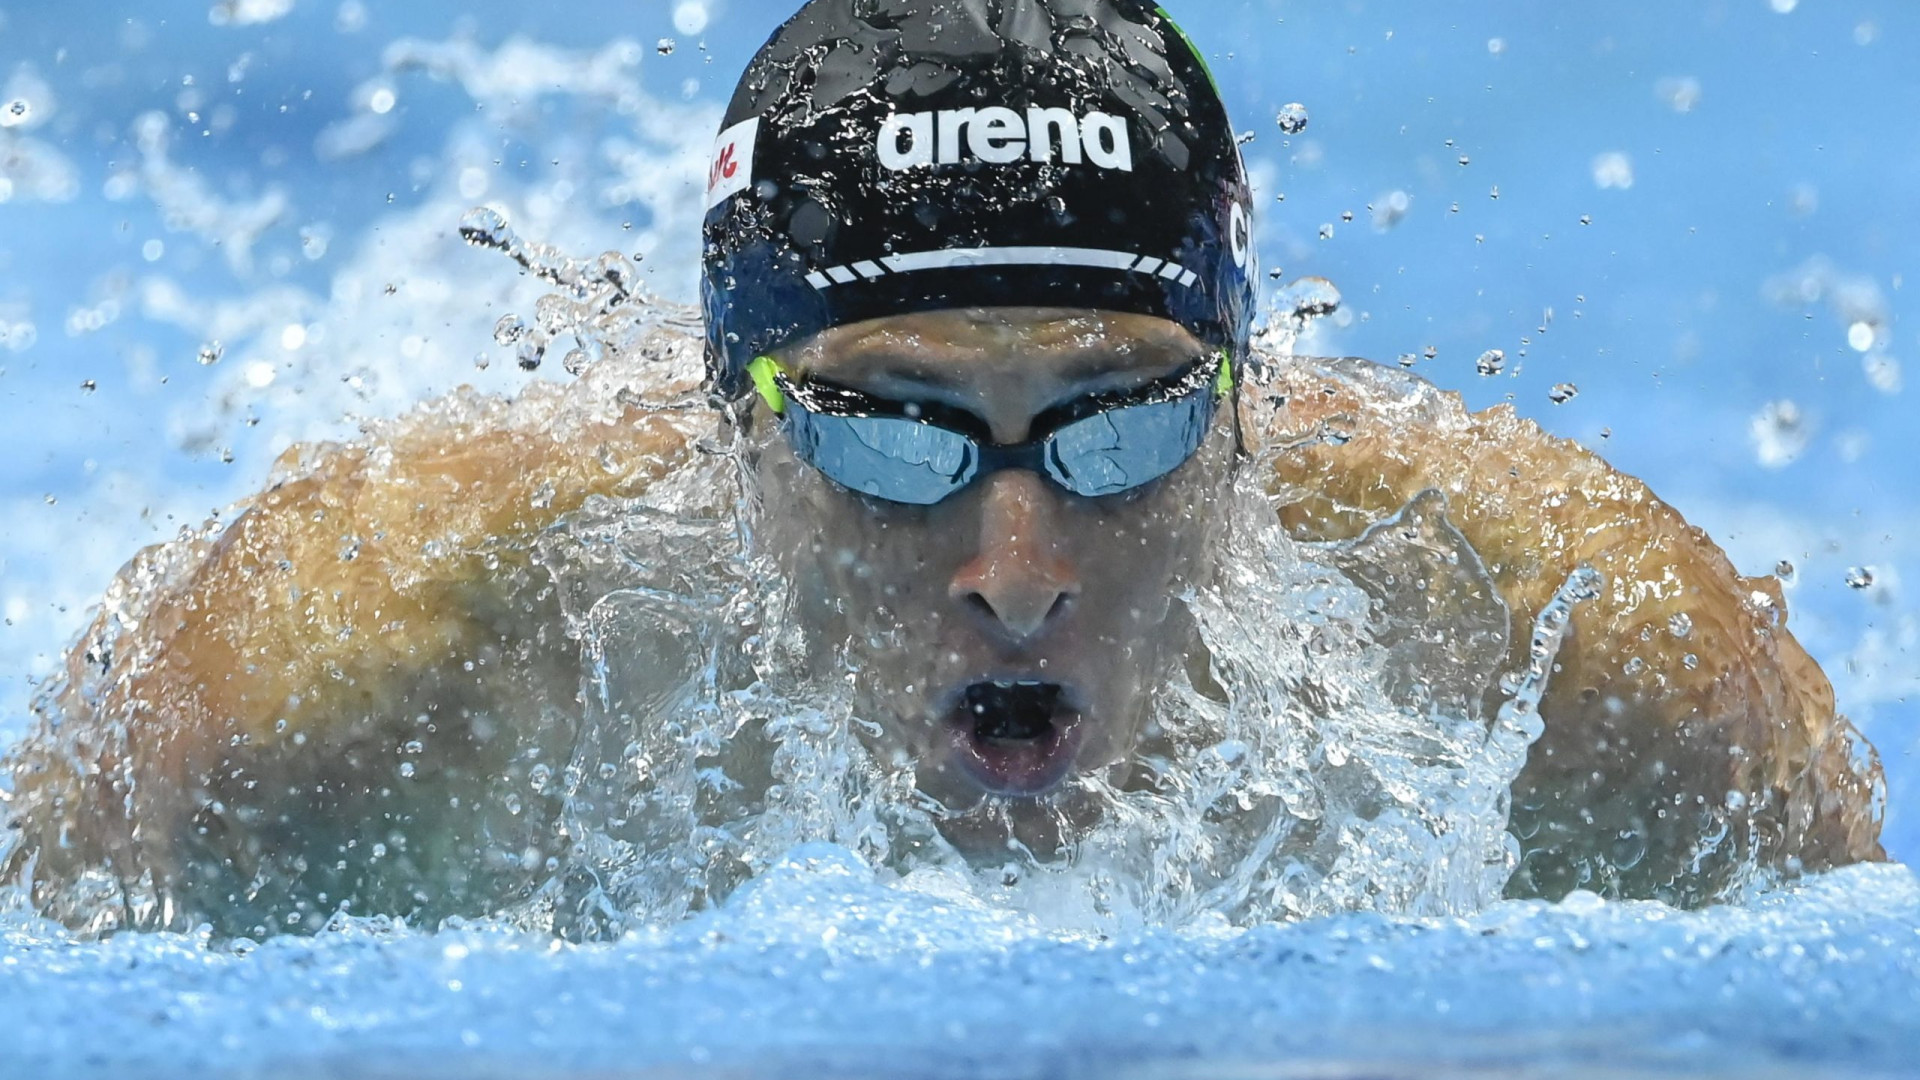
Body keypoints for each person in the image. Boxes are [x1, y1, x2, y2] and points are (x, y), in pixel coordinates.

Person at [1, 0, 1883, 937]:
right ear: (729, 423)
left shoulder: (1593, 661)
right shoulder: (335, 694)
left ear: (1253, 412)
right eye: (891, 430)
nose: (1016, 561)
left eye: (1127, 420)